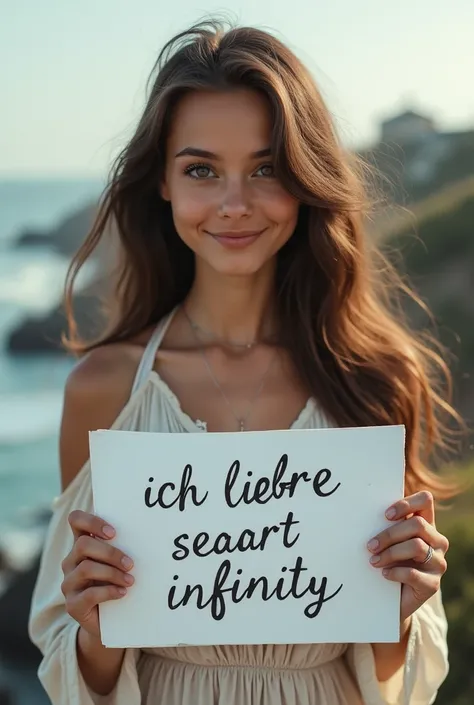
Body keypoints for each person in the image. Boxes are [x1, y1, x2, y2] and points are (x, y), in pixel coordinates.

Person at [29, 19, 459, 705]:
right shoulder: (104, 390)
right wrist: (91, 620)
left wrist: (404, 605)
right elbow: (74, 670)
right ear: (162, 184)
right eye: (201, 169)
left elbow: (395, 679)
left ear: (306, 179)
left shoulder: (376, 380)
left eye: (267, 169)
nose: (234, 204)